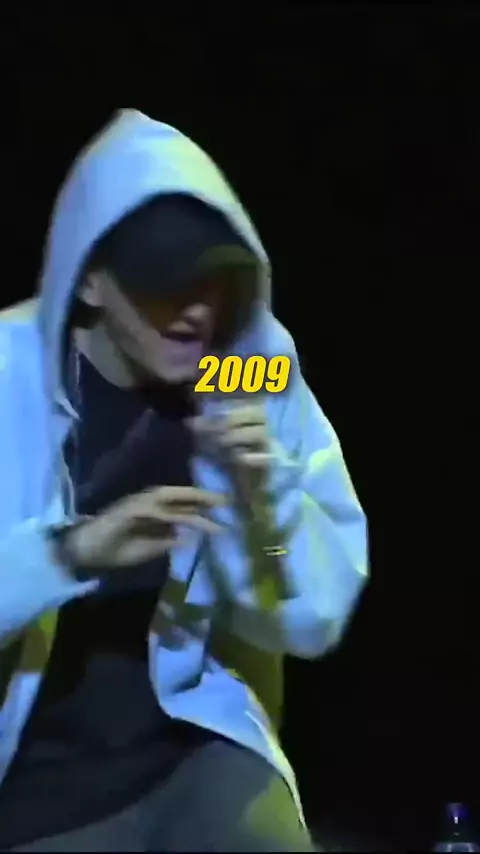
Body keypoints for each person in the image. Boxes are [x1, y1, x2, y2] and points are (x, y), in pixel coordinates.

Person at [0, 109, 368, 852]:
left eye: (213, 282)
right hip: (35, 783)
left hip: (198, 746)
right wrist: (70, 554)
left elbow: (312, 621)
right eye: (163, 284)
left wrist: (265, 508)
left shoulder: (247, 369)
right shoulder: (12, 375)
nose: (196, 311)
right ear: (91, 282)